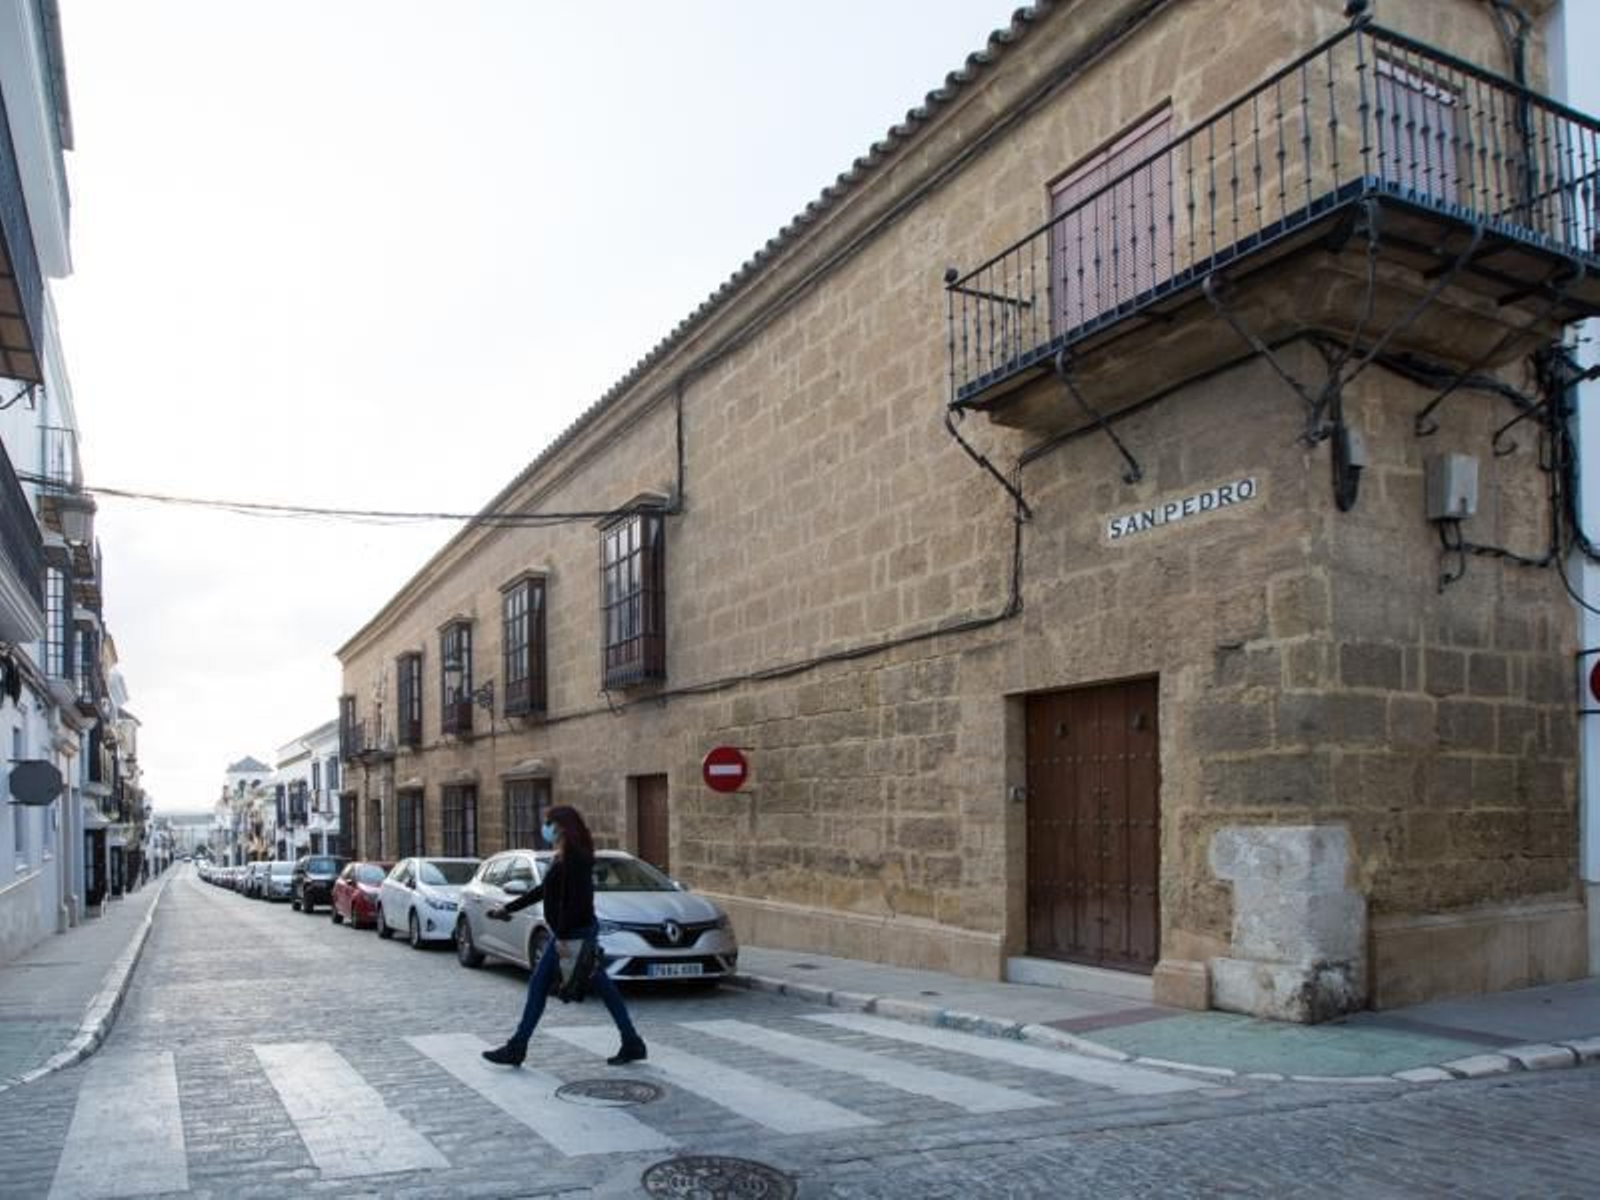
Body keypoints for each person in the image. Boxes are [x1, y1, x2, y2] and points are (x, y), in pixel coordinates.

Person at [481, 805, 648, 1067]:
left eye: (548, 823)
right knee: (603, 987)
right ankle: (631, 1041)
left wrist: (561, 936)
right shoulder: (565, 855)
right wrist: (508, 908)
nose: (545, 828)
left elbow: (579, 902)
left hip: (573, 933)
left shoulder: (577, 858)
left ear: (561, 826)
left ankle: (517, 1047)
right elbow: (543, 890)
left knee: (541, 986)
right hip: (572, 932)